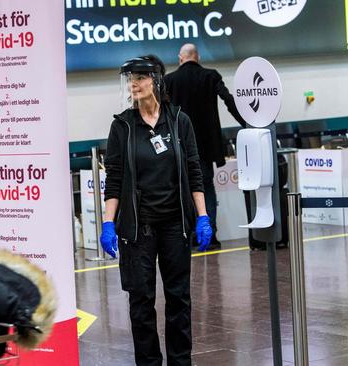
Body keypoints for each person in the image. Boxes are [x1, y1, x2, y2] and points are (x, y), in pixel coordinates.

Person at [99, 55, 212, 366]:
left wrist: (202, 216)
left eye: (140, 77)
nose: (133, 83)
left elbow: (193, 170)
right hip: (139, 230)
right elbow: (115, 178)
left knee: (179, 299)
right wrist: (109, 222)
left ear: (156, 81)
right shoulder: (122, 126)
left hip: (176, 225)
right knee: (141, 302)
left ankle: (180, 362)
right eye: (130, 78)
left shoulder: (179, 121)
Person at [164, 43, 246, 251]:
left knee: (185, 188)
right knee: (206, 187)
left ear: (180, 58)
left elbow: (161, 111)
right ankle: (211, 235)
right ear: (197, 57)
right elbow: (228, 100)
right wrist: (247, 123)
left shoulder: (170, 80)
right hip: (206, 144)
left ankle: (191, 234)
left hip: (180, 144)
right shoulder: (211, 76)